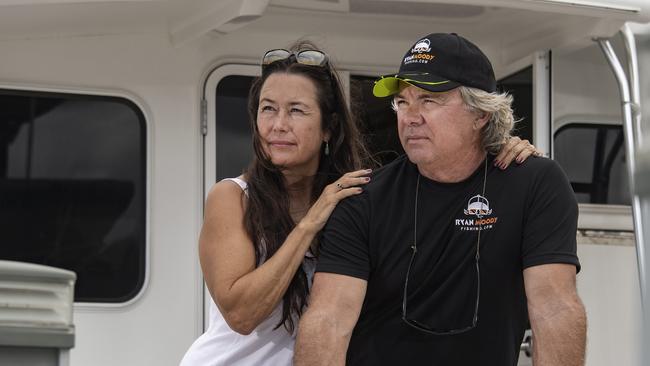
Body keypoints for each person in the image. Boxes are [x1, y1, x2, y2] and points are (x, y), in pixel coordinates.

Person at [180, 40, 540, 366]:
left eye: (296, 111)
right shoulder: (232, 196)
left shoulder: (359, 195)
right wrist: (309, 224)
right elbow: (241, 315)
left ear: (329, 128)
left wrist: (504, 152)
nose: (278, 125)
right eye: (268, 109)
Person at [294, 33, 587, 366]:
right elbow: (328, 321)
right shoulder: (363, 198)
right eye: (402, 102)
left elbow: (554, 309)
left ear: (481, 114)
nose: (410, 116)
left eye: (429, 100)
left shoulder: (534, 185)